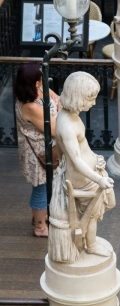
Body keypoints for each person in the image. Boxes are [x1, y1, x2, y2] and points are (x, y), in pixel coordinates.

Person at [50, 72, 116, 262]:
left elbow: (77, 152)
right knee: (92, 213)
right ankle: (91, 244)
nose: (94, 103)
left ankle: (89, 241)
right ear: (77, 97)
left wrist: (96, 159)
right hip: (84, 179)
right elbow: (76, 160)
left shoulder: (70, 115)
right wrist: (99, 179)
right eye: (90, 99)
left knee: (108, 204)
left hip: (92, 172)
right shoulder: (67, 125)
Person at [14, 63, 61, 237]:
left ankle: (40, 216)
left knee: (48, 184)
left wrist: (57, 105)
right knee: (41, 187)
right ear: (34, 83)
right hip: (38, 154)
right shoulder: (30, 106)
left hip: (47, 149)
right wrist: (59, 108)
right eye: (40, 77)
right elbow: (55, 128)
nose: (43, 79)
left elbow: (56, 96)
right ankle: (40, 227)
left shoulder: (36, 91)